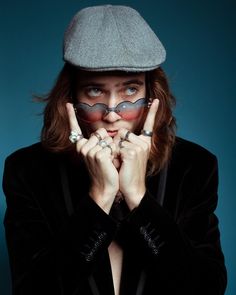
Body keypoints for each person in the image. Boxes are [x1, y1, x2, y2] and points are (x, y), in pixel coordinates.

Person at [2, 4, 227, 295]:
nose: (112, 113)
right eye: (95, 90)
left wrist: (138, 198)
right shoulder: (27, 170)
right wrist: (100, 197)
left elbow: (206, 288)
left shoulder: (194, 167)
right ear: (70, 97)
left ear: (151, 97)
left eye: (130, 90)